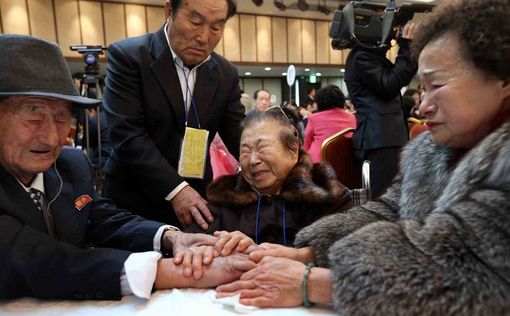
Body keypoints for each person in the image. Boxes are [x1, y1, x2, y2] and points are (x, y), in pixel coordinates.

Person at [215, 0, 510, 314]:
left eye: (437, 85)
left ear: (502, 78)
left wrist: (314, 281)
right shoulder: (431, 151)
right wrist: (309, 253)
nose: (422, 107)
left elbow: (465, 270)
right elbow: (388, 209)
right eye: (421, 89)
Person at [0, 34, 254, 300]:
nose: (52, 138)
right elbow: (41, 260)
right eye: (33, 116)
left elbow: (100, 220)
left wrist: (172, 237)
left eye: (62, 118)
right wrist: (171, 271)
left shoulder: (69, 166)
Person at [102, 0, 245, 228]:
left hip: (196, 201)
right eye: (195, 22)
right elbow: (127, 135)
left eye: (216, 27)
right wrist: (176, 190)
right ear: (169, 10)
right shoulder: (130, 57)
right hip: (134, 200)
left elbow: (237, 133)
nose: (204, 37)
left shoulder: (225, 74)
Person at [185, 106, 352, 245]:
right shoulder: (224, 197)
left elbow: (349, 247)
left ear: (293, 149)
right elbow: (193, 243)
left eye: (262, 148)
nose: (253, 160)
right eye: (245, 151)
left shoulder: (326, 192)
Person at [345, 22, 418, 199]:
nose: (391, 34)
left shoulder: (369, 56)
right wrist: (406, 46)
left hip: (384, 137)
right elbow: (390, 84)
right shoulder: (361, 57)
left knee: (394, 196)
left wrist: (407, 47)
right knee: (385, 199)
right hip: (379, 139)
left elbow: (398, 77)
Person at [303, 85, 357, 162]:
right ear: (342, 100)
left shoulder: (314, 118)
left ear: (319, 102)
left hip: (320, 166)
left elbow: (306, 145)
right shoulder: (353, 118)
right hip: (347, 164)